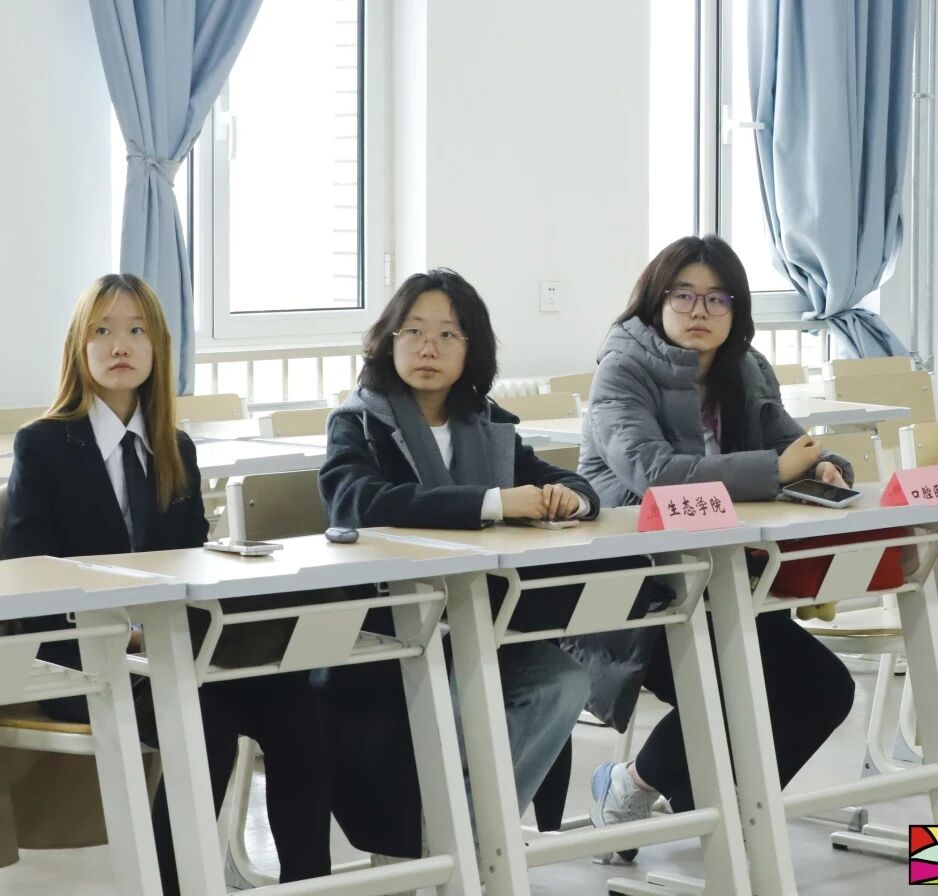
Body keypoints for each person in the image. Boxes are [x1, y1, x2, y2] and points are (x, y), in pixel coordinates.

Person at [4, 274, 331, 892]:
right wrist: (128, 635)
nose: (119, 345)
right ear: (78, 346)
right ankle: (171, 885)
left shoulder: (173, 446)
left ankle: (307, 882)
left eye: (136, 330)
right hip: (82, 657)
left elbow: (190, 562)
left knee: (297, 703)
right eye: (102, 331)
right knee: (203, 720)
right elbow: (31, 574)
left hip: (173, 652)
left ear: (158, 347)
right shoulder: (43, 445)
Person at [573, 235, 855, 862]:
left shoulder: (746, 368)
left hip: (726, 583)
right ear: (656, 300)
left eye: (717, 298)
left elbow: (791, 446)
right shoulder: (622, 369)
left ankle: (666, 792)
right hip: (638, 594)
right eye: (684, 296)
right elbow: (654, 474)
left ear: (736, 309)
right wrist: (777, 470)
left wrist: (825, 467)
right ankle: (702, 804)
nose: (699, 311)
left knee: (824, 688)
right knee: (737, 685)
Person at [317, 269, 594, 863]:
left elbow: (567, 482)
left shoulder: (484, 423)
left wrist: (572, 499)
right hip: (390, 634)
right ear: (389, 340)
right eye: (413, 331)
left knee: (563, 680)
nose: (428, 348)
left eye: (448, 335)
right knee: (458, 695)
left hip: (481, 626)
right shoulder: (359, 420)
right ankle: (452, 850)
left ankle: (463, 843)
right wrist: (492, 503)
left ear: (472, 349)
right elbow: (357, 502)